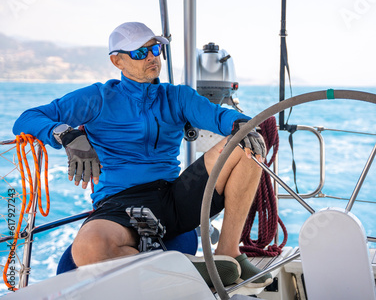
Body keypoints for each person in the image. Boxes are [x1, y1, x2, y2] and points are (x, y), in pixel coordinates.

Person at [12, 22, 272, 288]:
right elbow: (27, 118)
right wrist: (67, 135)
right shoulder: (98, 97)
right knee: (88, 248)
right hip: (118, 202)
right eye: (140, 52)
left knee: (244, 143)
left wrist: (240, 122)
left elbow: (221, 117)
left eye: (156, 49)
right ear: (117, 61)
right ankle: (174, 269)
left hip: (173, 196)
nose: (151, 57)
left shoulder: (177, 96)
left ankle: (228, 254)